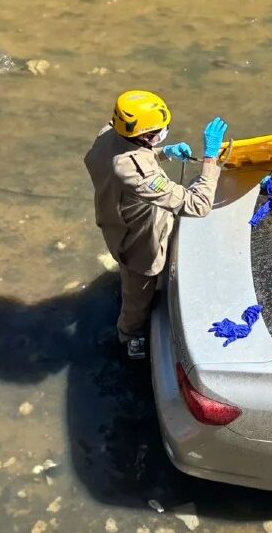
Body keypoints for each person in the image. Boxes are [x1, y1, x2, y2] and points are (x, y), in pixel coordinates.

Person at [84, 90, 228, 360]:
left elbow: (132, 157)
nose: (165, 132)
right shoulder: (136, 174)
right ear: (144, 135)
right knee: (138, 292)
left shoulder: (109, 133)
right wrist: (211, 159)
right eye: (161, 131)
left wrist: (162, 154)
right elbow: (198, 205)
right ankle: (130, 336)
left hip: (117, 215)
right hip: (137, 239)